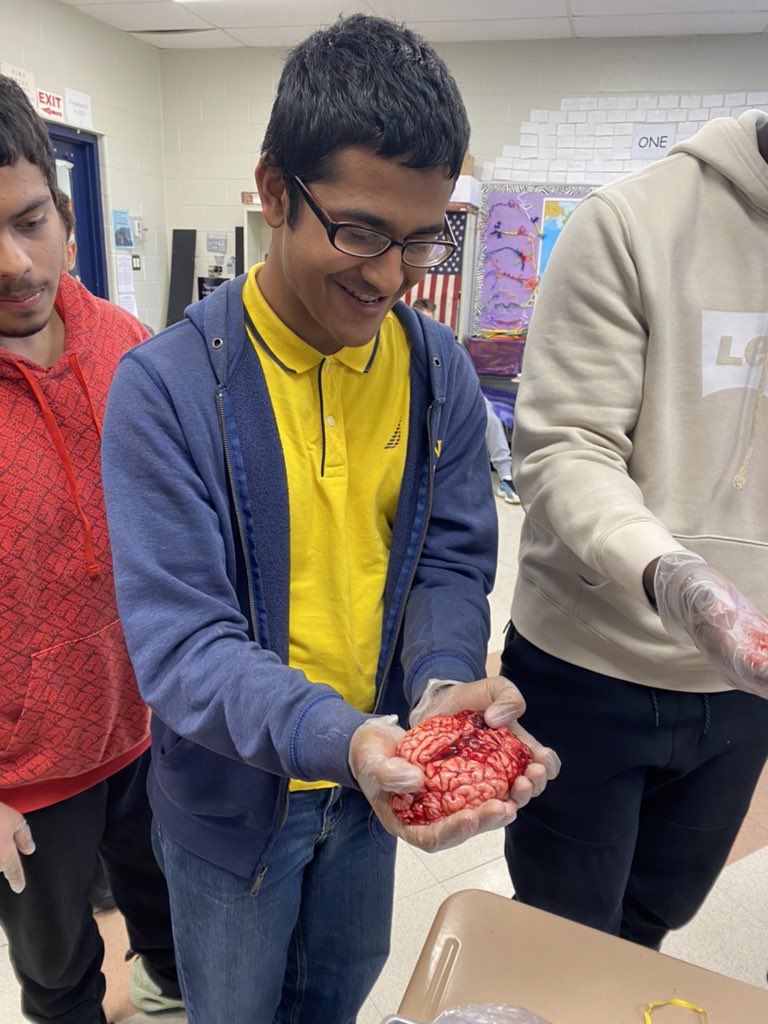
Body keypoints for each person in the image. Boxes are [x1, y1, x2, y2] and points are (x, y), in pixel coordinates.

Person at [101, 15, 558, 1024]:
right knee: (235, 1009)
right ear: (274, 192)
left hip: (371, 792)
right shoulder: (167, 392)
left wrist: (441, 691)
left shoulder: (434, 370)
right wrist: (341, 737)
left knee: (335, 997)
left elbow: (448, 561)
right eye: (359, 232)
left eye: (422, 239)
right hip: (233, 809)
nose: (391, 277)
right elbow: (183, 644)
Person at [502, 107, 768, 951]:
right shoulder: (629, 222)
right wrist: (674, 576)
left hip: (746, 690)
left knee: (658, 914)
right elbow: (563, 447)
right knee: (564, 923)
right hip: (590, 661)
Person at [0, 75, 181, 1022]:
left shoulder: (128, 346)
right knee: (59, 975)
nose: (13, 263)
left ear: (65, 216)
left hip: (149, 727)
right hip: (23, 778)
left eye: (29, 221)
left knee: (175, 933)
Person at [411, 298, 520, 504]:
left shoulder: (444, 344)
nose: (428, 326)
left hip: (451, 392)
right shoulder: (406, 346)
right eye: (424, 321)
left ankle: (506, 476)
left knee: (487, 412)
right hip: (425, 397)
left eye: (431, 321)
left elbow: (461, 377)